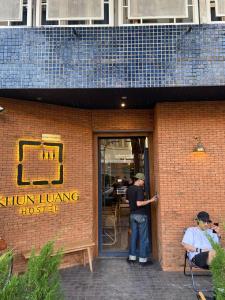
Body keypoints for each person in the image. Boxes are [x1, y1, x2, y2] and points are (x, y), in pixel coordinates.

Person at [127, 173, 158, 266]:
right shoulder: (139, 189)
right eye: (143, 181)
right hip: (140, 216)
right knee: (143, 238)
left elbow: (127, 200)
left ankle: (132, 258)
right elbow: (139, 203)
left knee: (133, 237)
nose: (143, 183)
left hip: (132, 215)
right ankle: (142, 260)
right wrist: (151, 200)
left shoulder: (129, 189)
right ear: (139, 180)